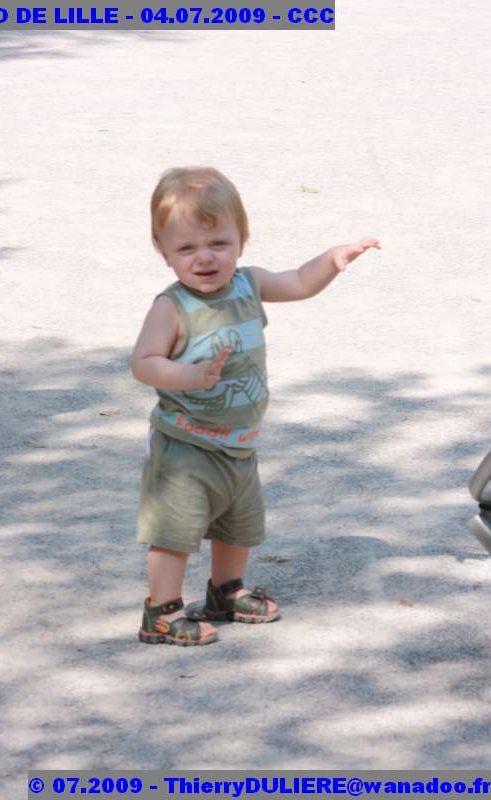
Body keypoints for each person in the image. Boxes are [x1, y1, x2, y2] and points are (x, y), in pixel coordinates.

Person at [131, 166, 381, 646]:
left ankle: (225, 592)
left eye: (218, 243)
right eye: (186, 248)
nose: (204, 258)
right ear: (164, 252)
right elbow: (143, 363)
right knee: (175, 531)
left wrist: (331, 260)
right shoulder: (173, 306)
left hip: (239, 442)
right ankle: (161, 611)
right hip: (185, 443)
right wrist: (188, 375)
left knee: (238, 523)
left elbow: (299, 282)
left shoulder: (249, 285)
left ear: (240, 240)